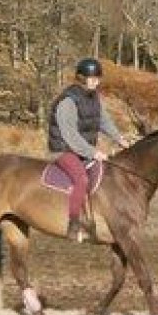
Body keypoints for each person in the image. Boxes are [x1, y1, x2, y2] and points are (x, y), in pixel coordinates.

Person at [48, 58, 129, 241]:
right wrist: (93, 152)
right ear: (81, 78)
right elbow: (70, 136)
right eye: (91, 78)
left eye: (97, 78)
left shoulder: (94, 98)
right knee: (81, 179)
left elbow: (103, 121)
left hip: (81, 150)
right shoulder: (67, 102)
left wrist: (120, 139)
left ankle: (95, 217)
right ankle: (73, 223)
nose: (95, 81)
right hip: (63, 149)